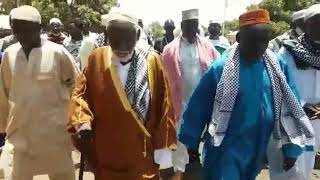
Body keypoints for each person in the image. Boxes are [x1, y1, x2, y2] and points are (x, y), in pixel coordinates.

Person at [179, 9, 315, 180]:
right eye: (252, 41)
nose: (259, 47)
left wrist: (292, 148)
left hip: (258, 145)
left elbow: (290, 105)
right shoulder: (220, 69)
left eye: (263, 41)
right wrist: (191, 146)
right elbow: (197, 108)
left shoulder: (277, 66)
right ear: (239, 39)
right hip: (226, 148)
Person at [68, 9, 177, 180]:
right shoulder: (97, 58)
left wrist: (164, 157)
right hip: (107, 157)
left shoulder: (153, 61)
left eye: (128, 39)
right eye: (115, 40)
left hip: (142, 158)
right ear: (106, 35)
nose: (122, 46)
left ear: (138, 34)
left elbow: (165, 108)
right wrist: (82, 122)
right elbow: (80, 95)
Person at [0, 6, 80, 180]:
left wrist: (78, 122)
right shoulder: (9, 55)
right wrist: (1, 127)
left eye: (27, 31)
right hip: (21, 138)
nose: (22, 36)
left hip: (55, 137)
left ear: (39, 28)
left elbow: (77, 88)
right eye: (17, 31)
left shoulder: (58, 53)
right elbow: (4, 95)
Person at [162, 8, 219, 179]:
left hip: (202, 102)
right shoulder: (169, 49)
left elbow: (217, 70)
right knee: (180, 139)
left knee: (202, 137)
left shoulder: (208, 47)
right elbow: (164, 77)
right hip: (180, 102)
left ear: (197, 26)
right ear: (182, 26)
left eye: (194, 25)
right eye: (187, 25)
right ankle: (179, 172)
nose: (191, 28)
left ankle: (199, 165)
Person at [269, 4, 320, 180]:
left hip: (315, 129)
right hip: (290, 125)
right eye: (316, 23)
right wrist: (304, 108)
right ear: (305, 26)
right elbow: (276, 92)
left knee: (305, 169)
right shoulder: (287, 54)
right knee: (286, 172)